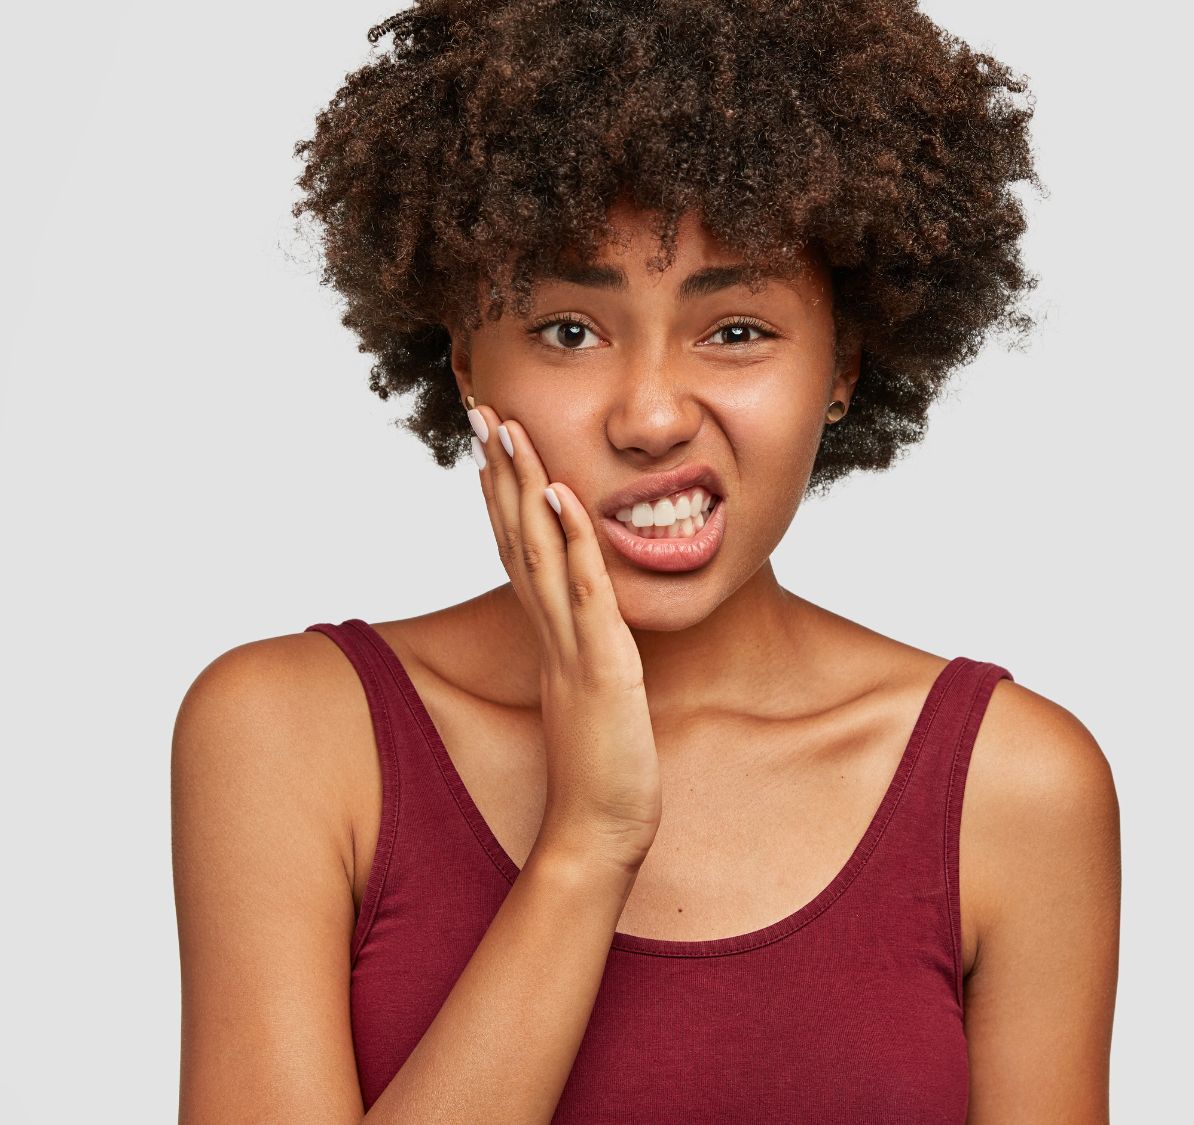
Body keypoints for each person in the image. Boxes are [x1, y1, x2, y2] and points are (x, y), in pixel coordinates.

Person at [171, 1, 1120, 1121]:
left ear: (844, 363)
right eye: (570, 329)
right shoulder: (293, 736)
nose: (653, 416)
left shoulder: (1007, 789)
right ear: (467, 363)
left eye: (735, 330)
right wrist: (587, 843)